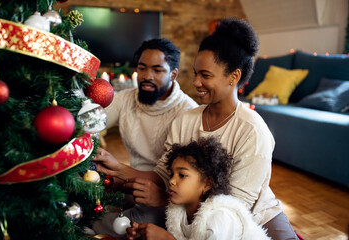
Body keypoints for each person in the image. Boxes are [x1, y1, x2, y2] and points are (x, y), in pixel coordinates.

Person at [94, 18, 298, 239]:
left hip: (252, 219)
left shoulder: (252, 130)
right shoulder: (186, 120)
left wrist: (164, 200)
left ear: (234, 76)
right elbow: (163, 174)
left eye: (206, 75)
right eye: (195, 73)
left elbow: (232, 210)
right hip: (190, 214)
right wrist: (117, 168)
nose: (196, 82)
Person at [92, 38, 198, 237]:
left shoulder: (187, 112)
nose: (147, 76)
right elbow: (93, 121)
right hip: (130, 183)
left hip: (166, 194)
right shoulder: (125, 99)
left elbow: (167, 177)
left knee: (127, 226)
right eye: (142, 68)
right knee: (88, 196)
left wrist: (119, 170)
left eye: (157, 70)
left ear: (173, 74)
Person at [125, 137, 270, 240]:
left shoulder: (221, 218)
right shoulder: (178, 214)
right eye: (171, 174)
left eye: (182, 175)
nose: (172, 181)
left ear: (207, 184)